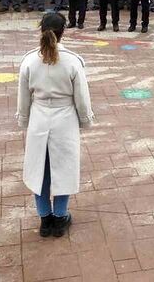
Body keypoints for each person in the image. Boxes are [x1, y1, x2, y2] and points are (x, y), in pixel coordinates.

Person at [17, 12, 94, 238]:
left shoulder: (29, 61)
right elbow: (81, 96)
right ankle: (60, 217)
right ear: (63, 32)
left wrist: (23, 119)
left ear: (41, 29)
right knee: (63, 168)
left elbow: (23, 97)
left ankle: (45, 219)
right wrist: (85, 119)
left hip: (39, 118)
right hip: (64, 120)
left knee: (40, 168)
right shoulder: (72, 61)